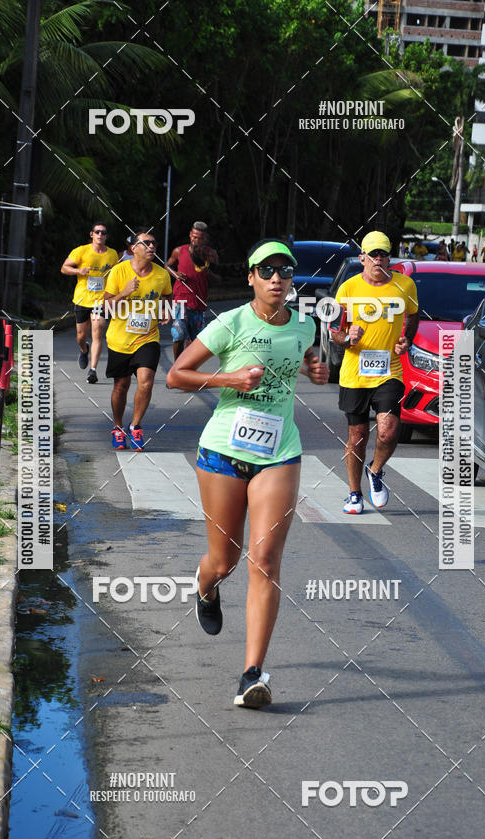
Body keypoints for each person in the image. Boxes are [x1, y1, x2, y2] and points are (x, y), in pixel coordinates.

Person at [167, 238, 329, 708]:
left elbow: (304, 361)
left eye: (285, 270)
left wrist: (315, 371)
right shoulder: (230, 322)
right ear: (251, 278)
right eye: (267, 270)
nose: (277, 278)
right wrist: (230, 379)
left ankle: (251, 675)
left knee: (266, 561)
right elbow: (177, 375)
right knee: (225, 560)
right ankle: (206, 586)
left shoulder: (305, 325)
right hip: (222, 451)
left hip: (279, 452)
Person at [330, 230, 419, 515]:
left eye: (384, 254)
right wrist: (347, 337)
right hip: (354, 373)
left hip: (389, 371)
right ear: (362, 258)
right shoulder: (348, 288)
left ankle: (376, 470)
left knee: (388, 432)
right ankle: (354, 494)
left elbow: (413, 315)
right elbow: (334, 332)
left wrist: (408, 339)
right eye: (374, 254)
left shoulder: (405, 285)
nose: (379, 259)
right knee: (357, 436)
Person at [103, 229, 171, 450]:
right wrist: (123, 293)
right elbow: (106, 306)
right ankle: (118, 426)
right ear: (133, 248)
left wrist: (166, 309)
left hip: (147, 338)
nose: (152, 247)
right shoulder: (118, 271)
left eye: (154, 243)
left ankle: (135, 426)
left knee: (146, 381)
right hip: (119, 339)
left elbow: (167, 295)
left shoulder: (162, 274)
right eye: (146, 243)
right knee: (121, 385)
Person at [61, 222, 118, 384]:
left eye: (103, 232)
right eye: (97, 232)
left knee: (98, 330)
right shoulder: (81, 251)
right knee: (81, 336)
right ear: (91, 234)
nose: (100, 234)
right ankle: (83, 349)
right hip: (82, 299)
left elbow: (116, 275)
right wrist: (79, 271)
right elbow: (64, 268)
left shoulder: (113, 254)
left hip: (101, 300)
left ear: (106, 236)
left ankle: (93, 370)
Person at [167, 221, 220, 360]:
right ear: (190, 235)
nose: (196, 240)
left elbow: (218, 279)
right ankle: (176, 368)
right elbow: (167, 265)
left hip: (199, 302)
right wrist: (175, 274)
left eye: (200, 238)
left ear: (206, 239)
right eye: (194, 237)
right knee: (178, 333)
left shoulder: (211, 254)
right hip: (181, 299)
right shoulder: (179, 251)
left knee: (195, 340)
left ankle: (185, 369)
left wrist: (208, 272)